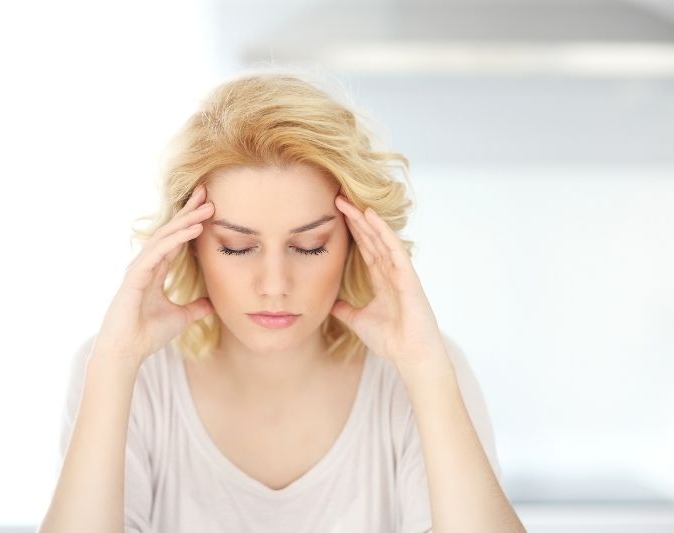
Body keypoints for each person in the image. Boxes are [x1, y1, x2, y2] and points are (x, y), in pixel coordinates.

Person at [37, 70, 527, 533]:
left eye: (309, 246)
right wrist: (114, 366)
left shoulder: (421, 372)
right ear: (189, 243)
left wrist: (427, 373)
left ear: (356, 240)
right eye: (237, 246)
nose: (275, 284)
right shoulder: (127, 376)